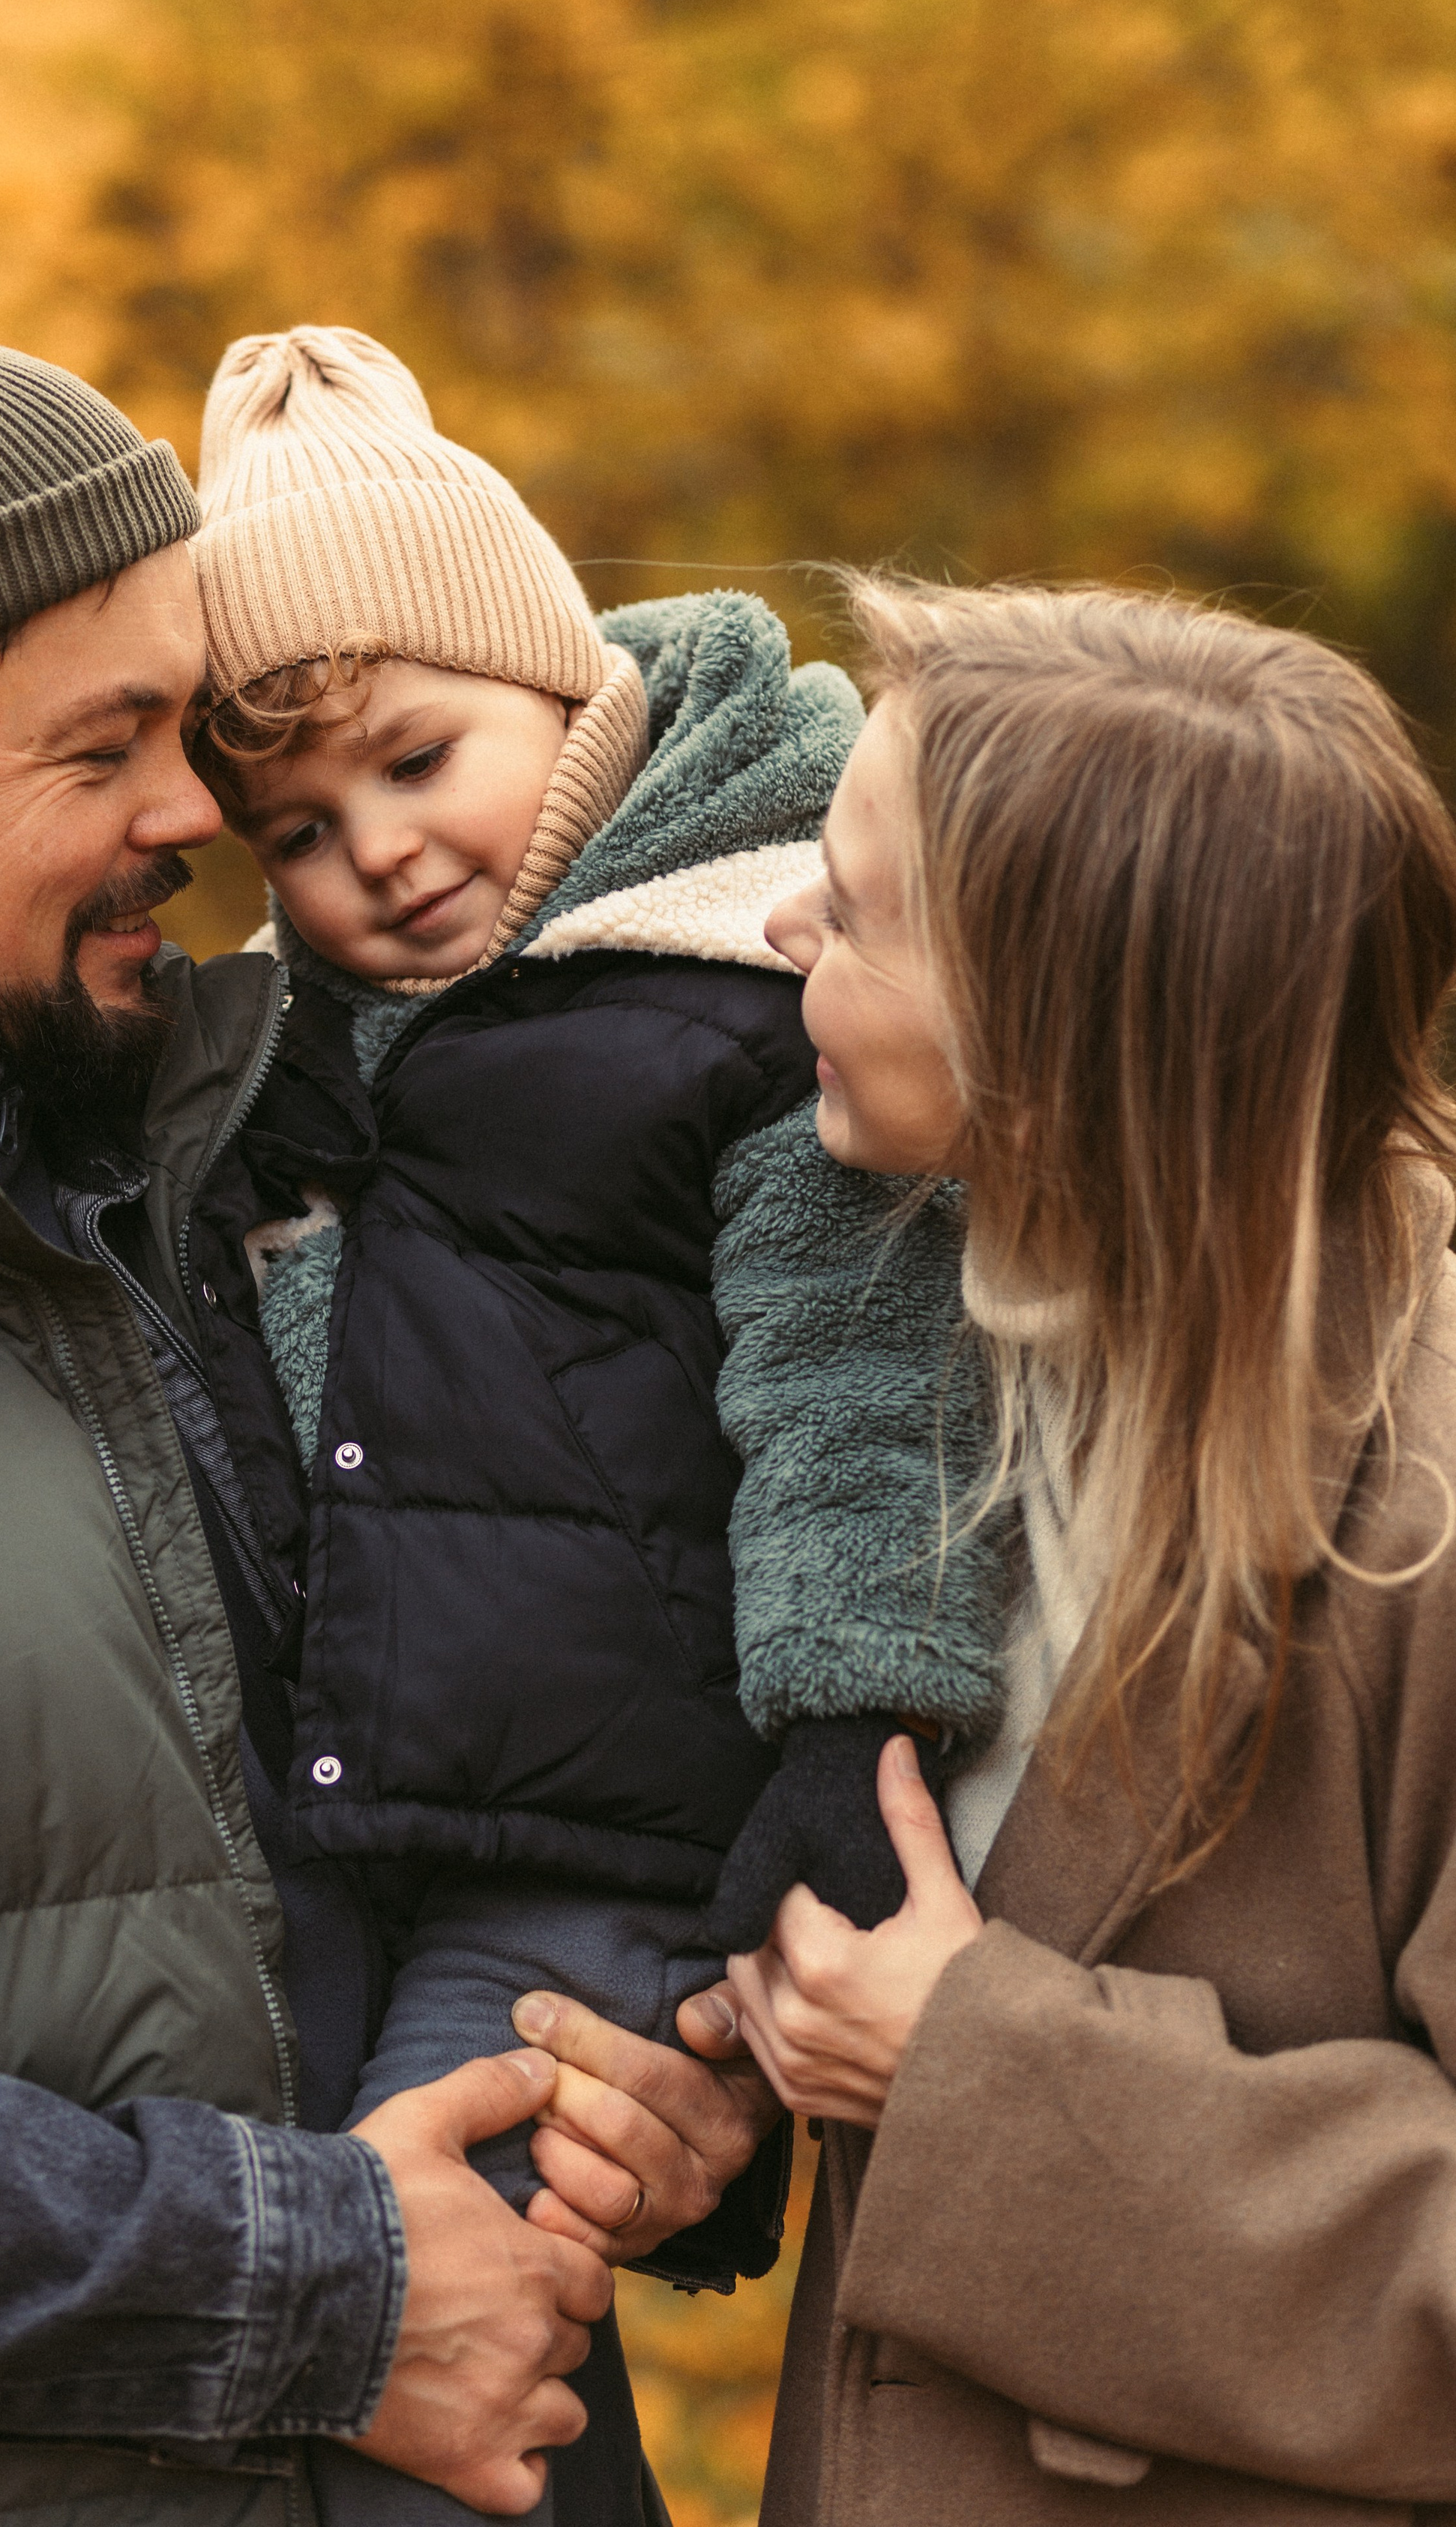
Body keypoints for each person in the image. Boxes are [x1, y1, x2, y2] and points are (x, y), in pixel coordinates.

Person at [0, 326, 776, 2527]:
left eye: (182, 733)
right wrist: (317, 2297)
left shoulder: (243, 1136)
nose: (196, 816)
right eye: (102, 750)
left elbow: (531, 1723)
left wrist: (654, 2097)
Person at [177, 327, 1008, 2523]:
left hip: (625, 1850)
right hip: (414, 1821)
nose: (378, 855)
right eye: (297, 833)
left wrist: (846, 1731)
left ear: (562, 683)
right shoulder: (336, 1058)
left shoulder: (746, 997)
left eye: (416, 759)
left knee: (433, 2318)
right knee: (464, 2362)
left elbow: (859, 1385)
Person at [728, 575, 1456, 2522]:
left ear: (1055, 1058)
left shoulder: (1430, 1512)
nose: (783, 924)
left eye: (852, 914)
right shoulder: (909, 1342)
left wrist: (976, 2079)